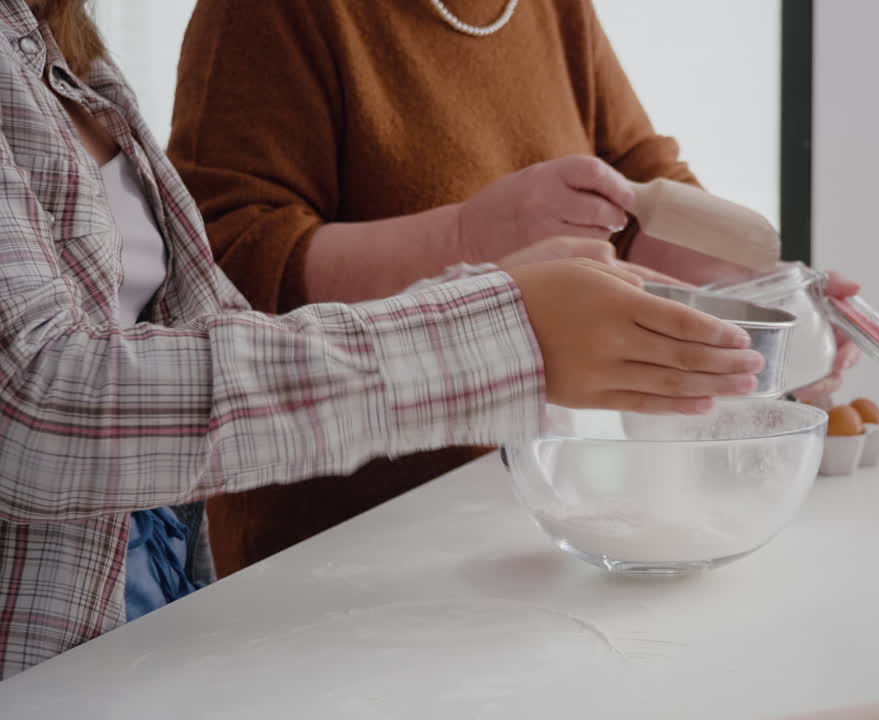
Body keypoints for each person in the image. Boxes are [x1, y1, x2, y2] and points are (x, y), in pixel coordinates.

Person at [0, 0, 765, 679]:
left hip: (466, 530)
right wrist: (491, 299)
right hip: (334, 553)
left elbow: (645, 190)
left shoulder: (63, 44)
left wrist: (763, 288)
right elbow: (53, 395)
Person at [168, 0, 862, 575]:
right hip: (340, 551)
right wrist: (466, 237)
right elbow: (222, 264)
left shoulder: (553, 9)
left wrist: (775, 299)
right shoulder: (269, 15)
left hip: (530, 513)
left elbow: (643, 194)